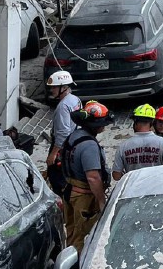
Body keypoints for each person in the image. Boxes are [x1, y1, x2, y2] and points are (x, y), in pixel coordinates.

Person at [63, 101, 114, 252]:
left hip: (70, 192)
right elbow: (93, 177)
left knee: (72, 234)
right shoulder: (89, 146)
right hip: (83, 199)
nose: (104, 126)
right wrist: (101, 201)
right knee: (83, 238)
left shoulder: (74, 137)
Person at [112, 104, 163, 181]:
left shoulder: (123, 146)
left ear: (135, 122)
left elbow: (116, 175)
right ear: (152, 122)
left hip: (134, 190)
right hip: (157, 188)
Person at [46, 70, 81, 195]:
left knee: (56, 179)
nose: (52, 90)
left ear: (63, 87)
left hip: (62, 147)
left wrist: (53, 154)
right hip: (72, 143)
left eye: (54, 87)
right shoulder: (75, 100)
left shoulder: (62, 107)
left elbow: (63, 132)